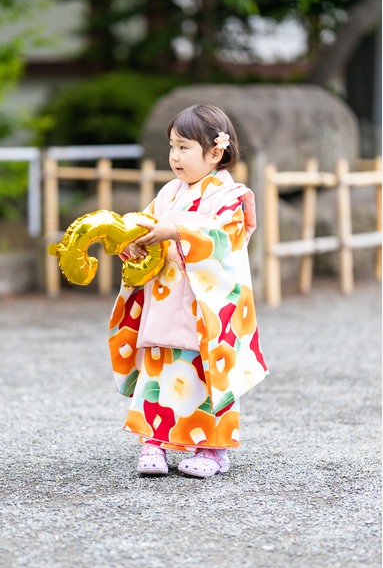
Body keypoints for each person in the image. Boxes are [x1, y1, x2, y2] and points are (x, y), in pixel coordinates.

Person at [109, 104, 269, 478]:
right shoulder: (169, 193)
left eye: (184, 148)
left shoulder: (231, 197)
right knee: (160, 364)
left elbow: (226, 241)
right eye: (172, 147)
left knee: (205, 371)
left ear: (215, 153)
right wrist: (132, 243)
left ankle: (212, 450)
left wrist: (178, 231)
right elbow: (144, 226)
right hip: (166, 298)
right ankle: (154, 442)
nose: (175, 156)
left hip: (206, 305)